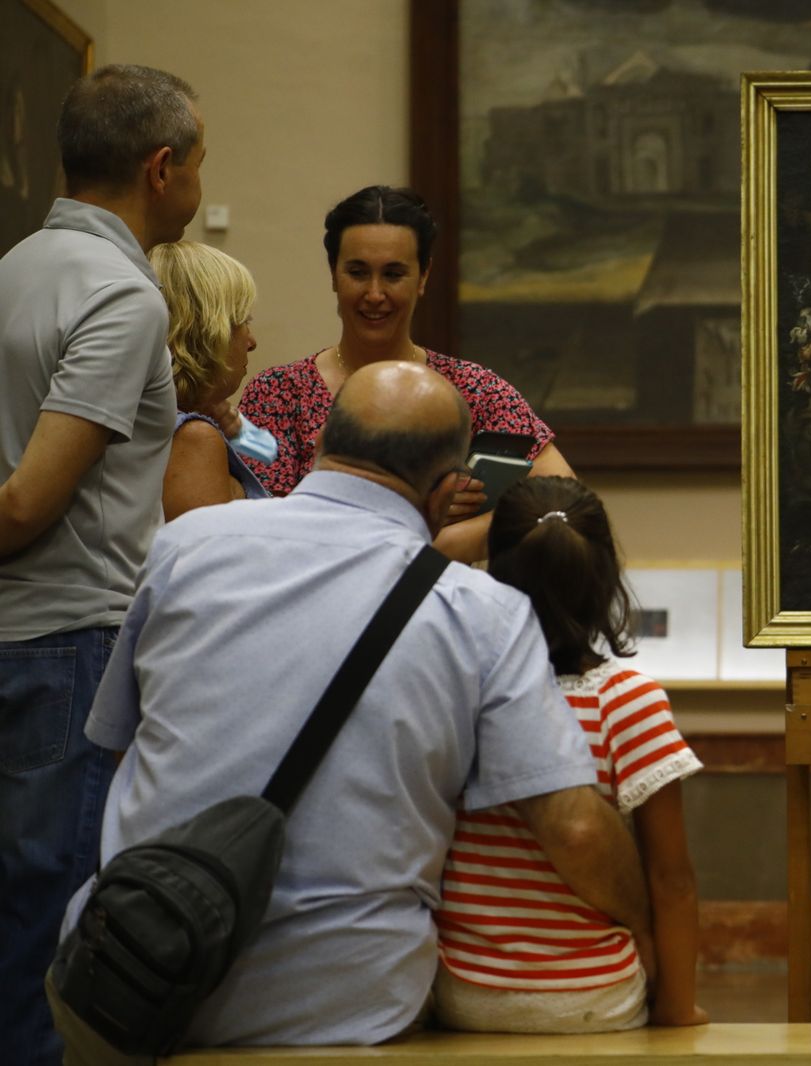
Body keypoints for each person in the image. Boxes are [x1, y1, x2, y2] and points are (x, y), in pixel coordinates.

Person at [48, 363, 653, 1056]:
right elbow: (573, 828)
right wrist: (645, 925)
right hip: (344, 1011)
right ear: (446, 492)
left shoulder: (187, 545)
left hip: (126, 981)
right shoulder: (482, 612)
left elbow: (121, 749)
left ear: (321, 447)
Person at [0, 64, 203, 1066]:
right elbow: (24, 504)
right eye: (199, 162)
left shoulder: (13, 269)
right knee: (50, 932)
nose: (199, 183)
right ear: (161, 169)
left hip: (22, 639)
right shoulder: (120, 296)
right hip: (66, 643)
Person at [434, 476, 706, 1033]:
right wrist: (678, 1009)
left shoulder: (457, 690)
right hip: (594, 993)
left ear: (493, 575)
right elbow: (671, 877)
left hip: (462, 990)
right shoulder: (626, 701)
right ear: (606, 578)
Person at [237, 184, 574, 561]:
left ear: (423, 276)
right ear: (333, 274)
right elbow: (257, 533)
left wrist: (438, 546)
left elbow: (563, 498)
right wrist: (414, 522)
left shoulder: (472, 388)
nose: (374, 294)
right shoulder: (279, 393)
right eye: (357, 272)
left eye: (393, 274)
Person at [150, 240, 270, 519]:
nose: (251, 342)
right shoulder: (193, 438)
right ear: (208, 332)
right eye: (243, 322)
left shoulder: (155, 420)